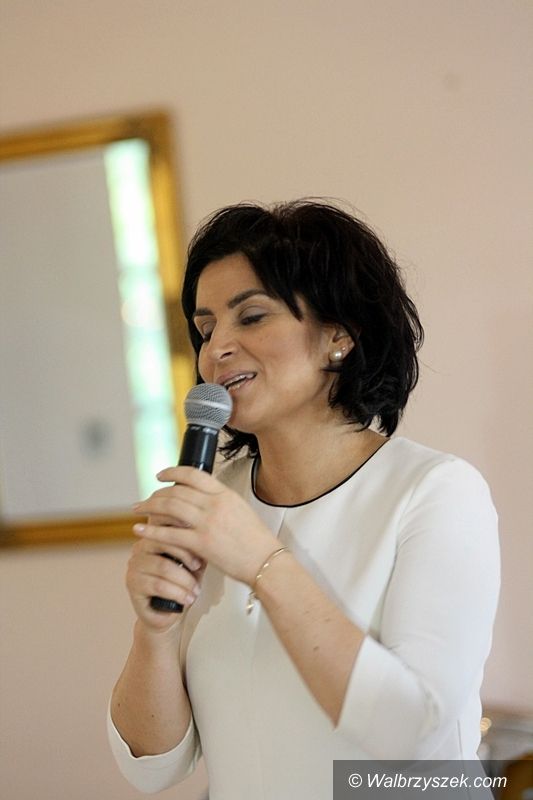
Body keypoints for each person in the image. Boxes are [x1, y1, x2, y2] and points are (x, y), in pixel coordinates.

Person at [107, 200, 500, 800]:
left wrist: (261, 562)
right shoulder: (211, 500)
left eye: (251, 317)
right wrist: (154, 631)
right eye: (206, 329)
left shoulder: (436, 492)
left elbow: (415, 737)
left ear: (339, 335)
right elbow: (152, 768)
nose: (217, 349)